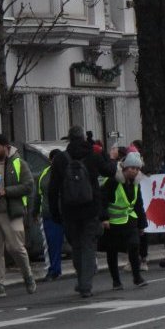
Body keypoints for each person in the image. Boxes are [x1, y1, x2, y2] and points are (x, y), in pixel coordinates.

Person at [48, 126, 117, 298]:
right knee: (88, 246)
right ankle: (85, 285)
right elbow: (110, 170)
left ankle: (82, 280)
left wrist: (55, 212)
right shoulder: (92, 156)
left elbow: (53, 188)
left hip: (69, 210)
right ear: (84, 138)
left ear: (68, 139)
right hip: (90, 208)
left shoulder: (60, 159)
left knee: (76, 247)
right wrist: (103, 154)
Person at [0, 134, 36, 298]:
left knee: (16, 248)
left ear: (5, 146)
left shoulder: (18, 163)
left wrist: (7, 191)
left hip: (11, 212)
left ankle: (28, 276)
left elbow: (29, 185)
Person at [99, 152, 147, 290]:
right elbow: (102, 200)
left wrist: (142, 224)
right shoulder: (113, 181)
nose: (135, 171)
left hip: (130, 220)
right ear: (125, 168)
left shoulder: (136, 183)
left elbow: (138, 204)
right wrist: (104, 218)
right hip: (113, 223)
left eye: (137, 169)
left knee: (134, 246)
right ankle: (116, 281)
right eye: (132, 168)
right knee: (112, 251)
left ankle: (137, 278)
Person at [38, 149, 64, 281]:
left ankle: (87, 266)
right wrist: (36, 211)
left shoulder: (67, 171)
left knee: (79, 242)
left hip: (65, 213)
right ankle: (53, 270)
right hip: (51, 213)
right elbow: (39, 194)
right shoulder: (45, 173)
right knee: (52, 244)